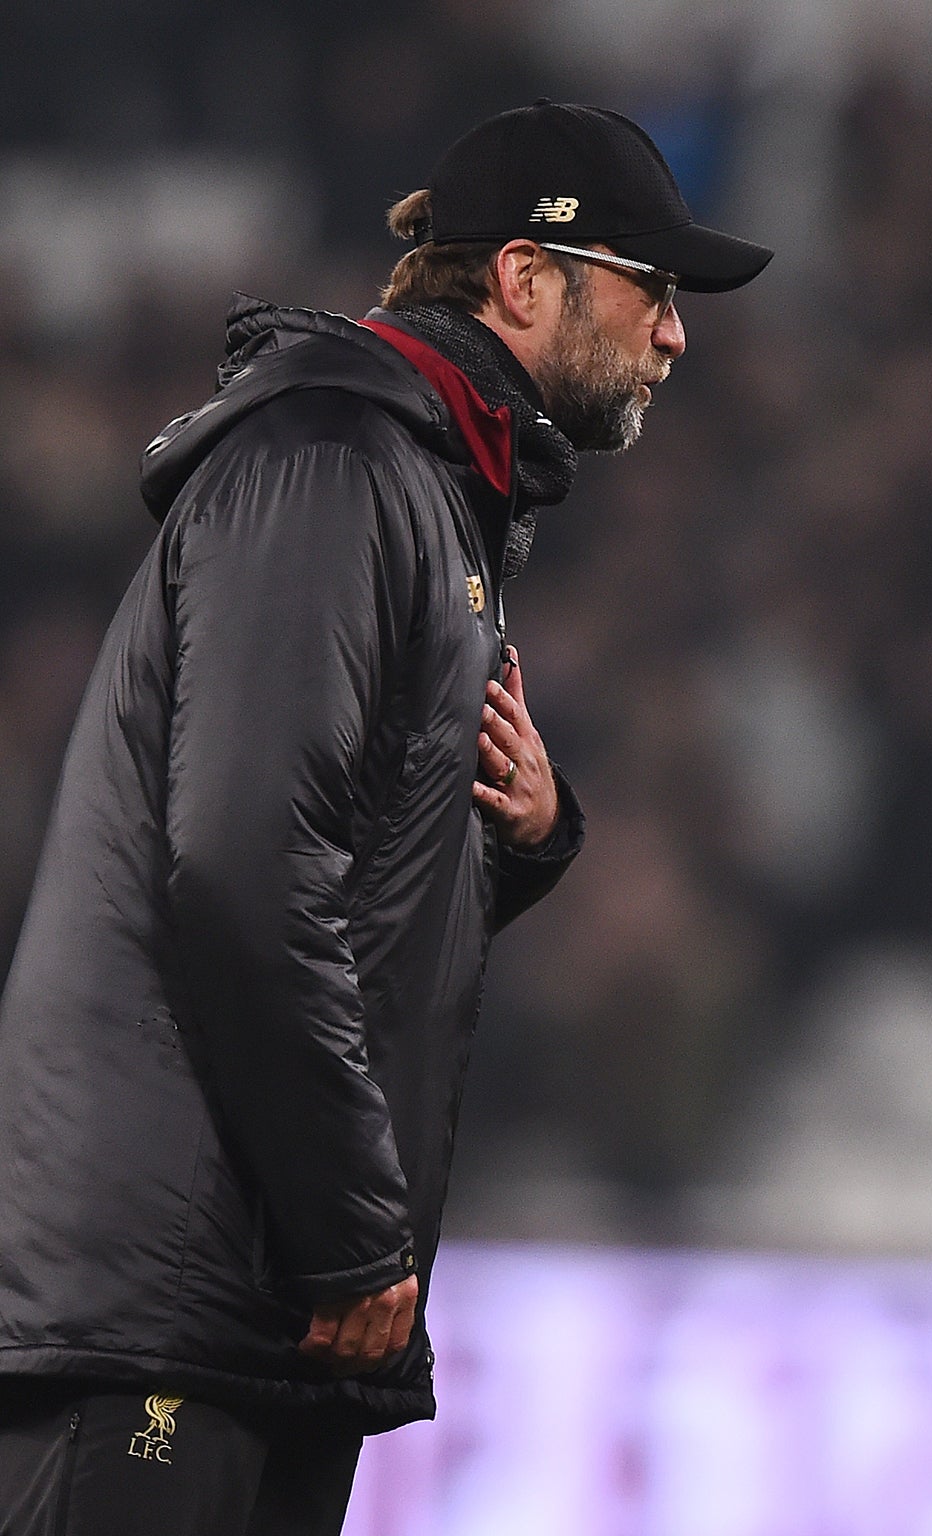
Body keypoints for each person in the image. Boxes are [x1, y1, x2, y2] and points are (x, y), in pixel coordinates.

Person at [0, 100, 770, 1535]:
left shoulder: (421, 485)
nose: (675, 336)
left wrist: (523, 840)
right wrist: (350, 1235)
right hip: (172, 1308)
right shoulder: (335, 465)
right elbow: (236, 867)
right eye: (651, 291)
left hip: (246, 1300)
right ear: (527, 281)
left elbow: (334, 885)